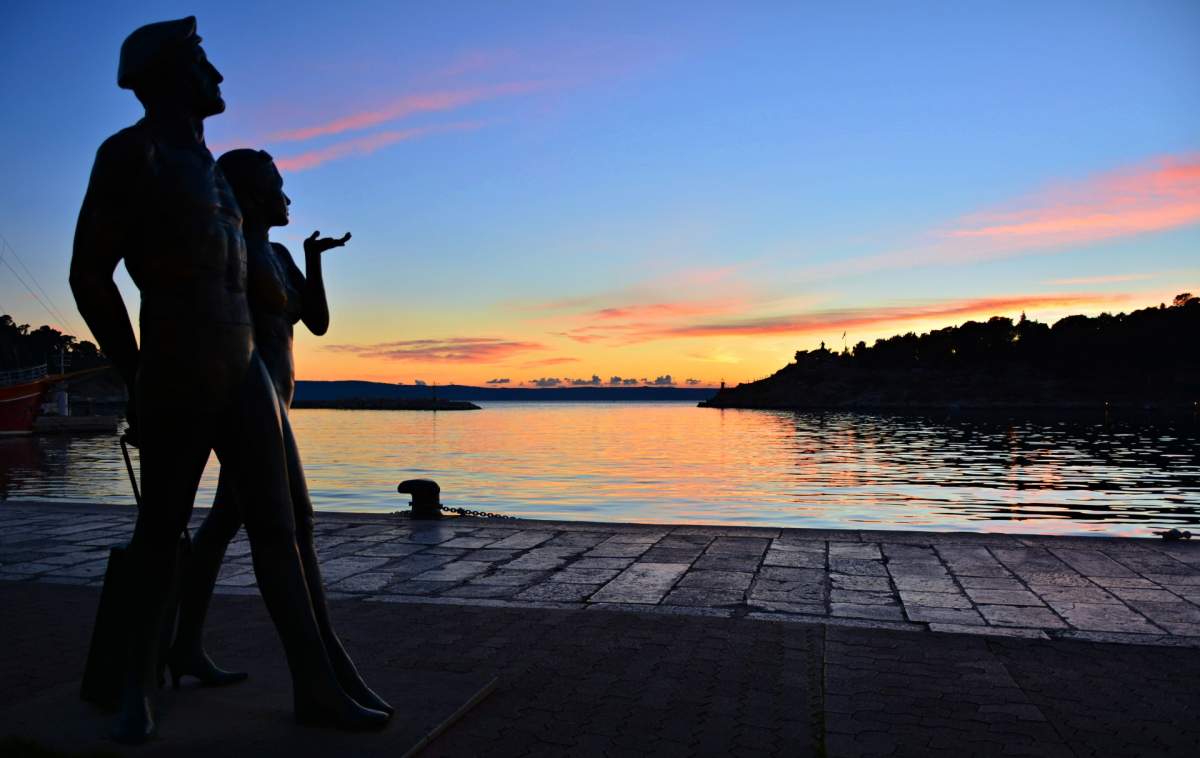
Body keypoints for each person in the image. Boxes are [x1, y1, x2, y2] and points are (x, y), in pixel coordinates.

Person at [70, 17, 388, 742]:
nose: (218, 78)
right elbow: (90, 272)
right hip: (177, 366)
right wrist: (135, 372)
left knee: (280, 530)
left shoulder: (217, 171)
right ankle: (135, 686)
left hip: (245, 371)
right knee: (160, 534)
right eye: (205, 64)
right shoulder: (131, 154)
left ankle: (317, 686)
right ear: (171, 73)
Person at [169, 148, 390, 719]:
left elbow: (314, 321)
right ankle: (325, 672)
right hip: (244, 399)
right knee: (294, 525)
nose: (287, 198)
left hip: (275, 405)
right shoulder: (231, 249)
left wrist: (315, 261)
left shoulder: (279, 253)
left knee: (222, 525)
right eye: (276, 187)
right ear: (248, 194)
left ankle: (184, 645)